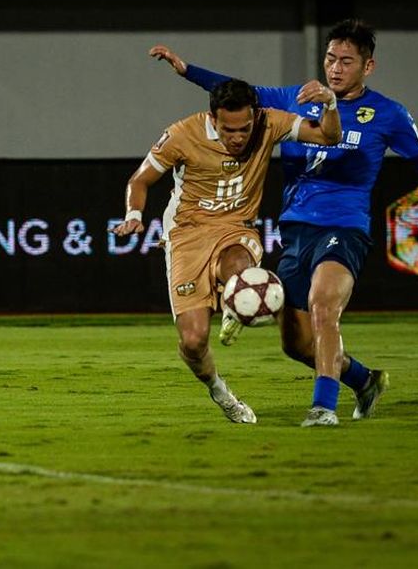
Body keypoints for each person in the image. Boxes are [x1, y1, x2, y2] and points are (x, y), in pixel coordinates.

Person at [150, 19, 418, 426]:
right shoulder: (294, 98)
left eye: (346, 61)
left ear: (367, 67)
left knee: (324, 307)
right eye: (330, 59)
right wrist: (187, 70)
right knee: (297, 343)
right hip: (296, 230)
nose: (335, 68)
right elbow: (239, 93)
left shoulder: (388, 114)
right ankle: (363, 379)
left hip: (345, 227)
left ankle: (323, 408)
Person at [112, 78, 341, 423]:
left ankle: (236, 302)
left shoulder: (270, 121)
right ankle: (220, 391)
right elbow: (139, 180)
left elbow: (328, 136)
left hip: (236, 227)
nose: (238, 137)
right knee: (193, 340)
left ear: (255, 117)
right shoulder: (181, 134)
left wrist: (331, 105)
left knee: (239, 265)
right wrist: (133, 215)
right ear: (212, 118)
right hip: (186, 234)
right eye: (228, 129)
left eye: (244, 129)